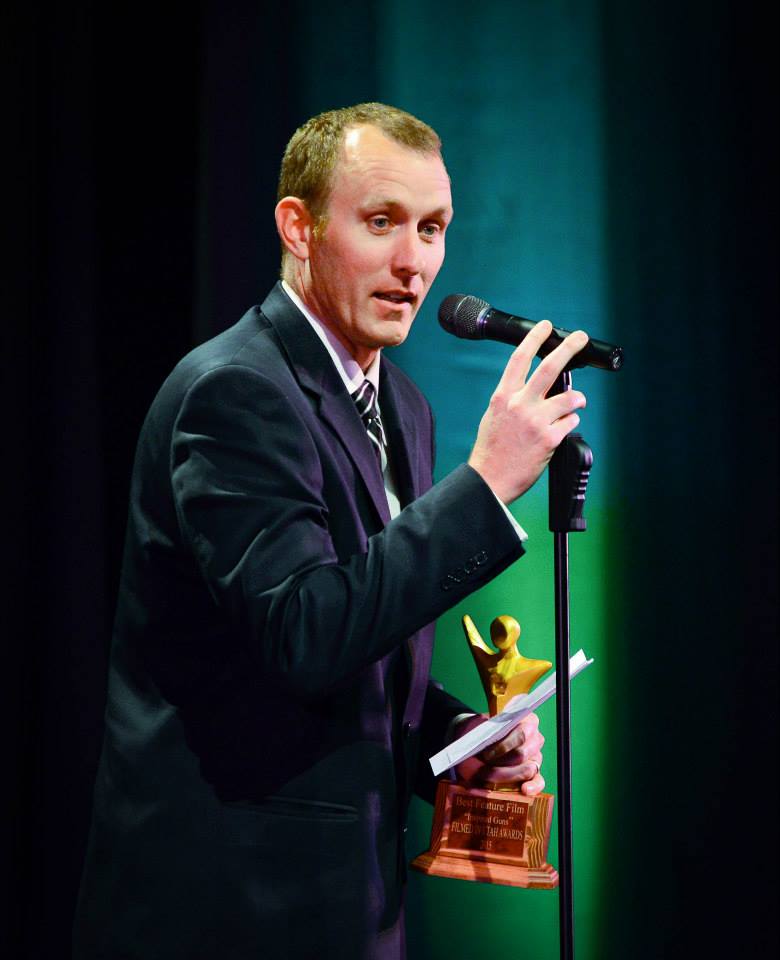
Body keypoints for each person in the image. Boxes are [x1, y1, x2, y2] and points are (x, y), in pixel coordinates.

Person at [73, 102, 588, 960]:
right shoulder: (235, 392)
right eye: (381, 222)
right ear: (299, 227)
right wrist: (487, 483)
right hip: (233, 909)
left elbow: (361, 648)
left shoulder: (404, 408)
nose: (414, 261)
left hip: (352, 904)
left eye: (433, 228)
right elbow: (304, 632)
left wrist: (455, 741)